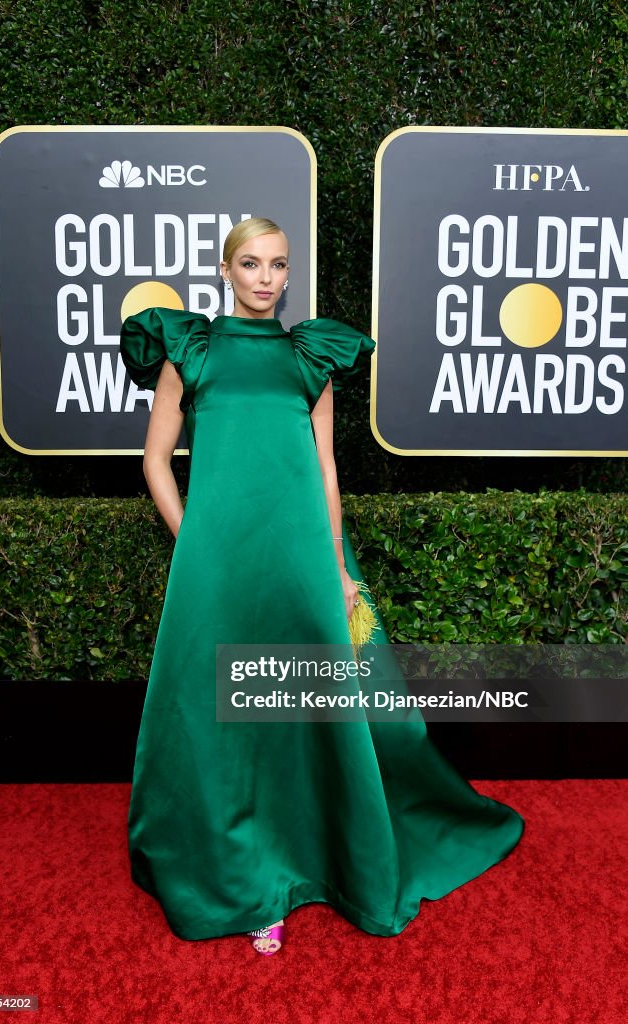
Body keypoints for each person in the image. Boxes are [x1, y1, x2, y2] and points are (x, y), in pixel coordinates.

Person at [120, 216, 525, 958]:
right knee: (221, 719)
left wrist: (335, 567)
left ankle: (306, 867)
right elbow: (154, 462)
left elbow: (328, 470)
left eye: (277, 264)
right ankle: (243, 882)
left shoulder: (311, 356)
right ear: (225, 271)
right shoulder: (192, 349)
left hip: (300, 560)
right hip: (216, 565)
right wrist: (195, 540)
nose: (267, 278)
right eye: (251, 263)